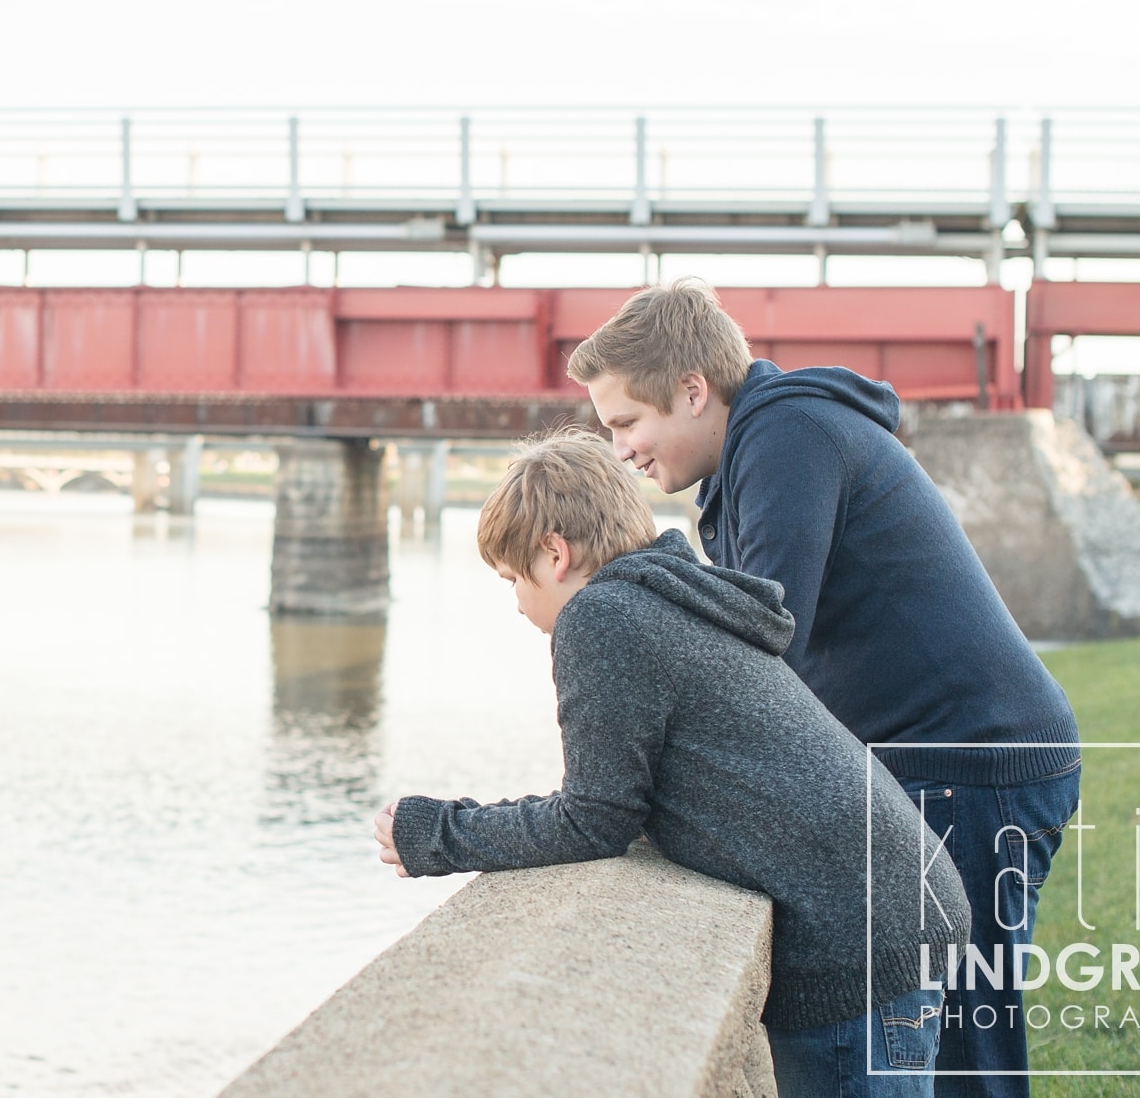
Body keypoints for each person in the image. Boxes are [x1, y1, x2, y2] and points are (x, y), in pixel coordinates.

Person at [563, 278, 1082, 1098]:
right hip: (939, 760)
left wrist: (626, 607)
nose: (620, 448)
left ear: (693, 390)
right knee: (946, 1047)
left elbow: (765, 634)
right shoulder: (744, 466)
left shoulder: (786, 434)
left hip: (973, 762)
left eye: (627, 421)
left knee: (964, 1056)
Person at [373, 430, 968, 1098]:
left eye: (513, 578)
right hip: (898, 900)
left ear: (554, 554)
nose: (516, 602)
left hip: (855, 937)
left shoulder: (603, 617)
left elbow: (592, 820)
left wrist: (437, 833)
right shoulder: (671, 598)